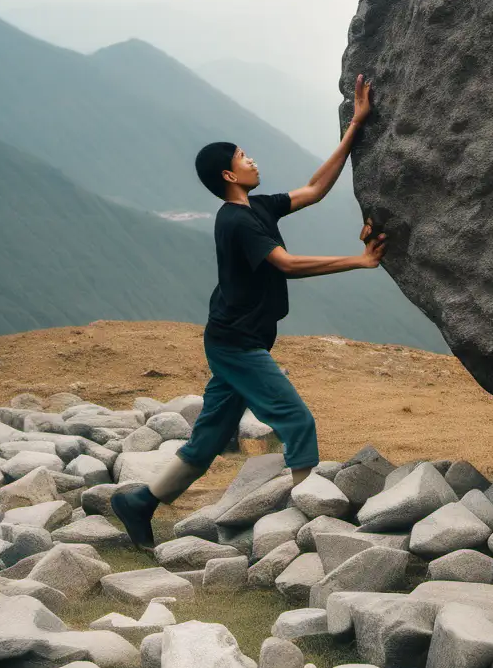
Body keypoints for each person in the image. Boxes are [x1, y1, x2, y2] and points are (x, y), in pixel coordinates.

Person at [111, 74, 387, 549]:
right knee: (296, 421)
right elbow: (285, 265)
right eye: (243, 156)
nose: (252, 159)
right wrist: (359, 261)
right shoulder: (237, 221)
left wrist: (356, 126)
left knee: (207, 442)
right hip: (237, 343)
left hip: (235, 338)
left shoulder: (258, 208)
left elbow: (314, 189)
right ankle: (312, 526)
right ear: (228, 175)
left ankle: (138, 503)